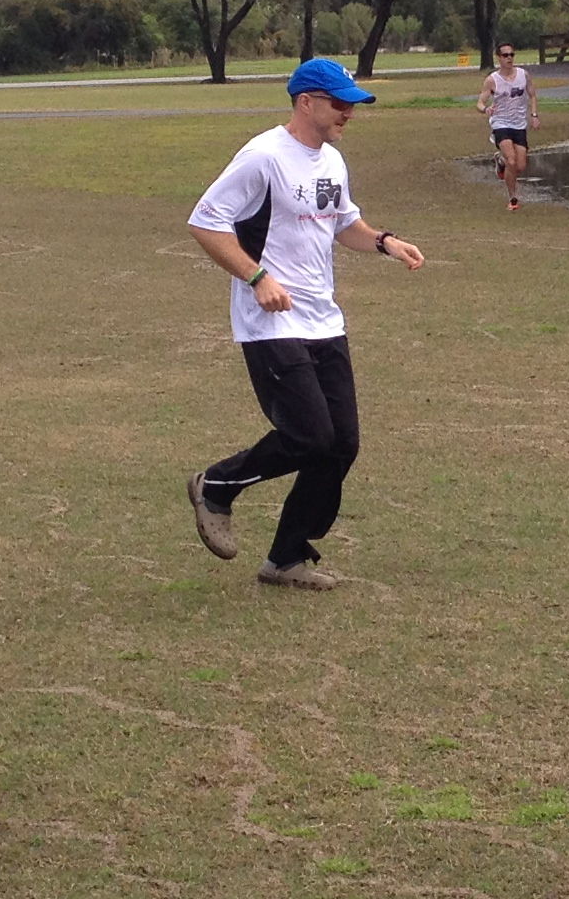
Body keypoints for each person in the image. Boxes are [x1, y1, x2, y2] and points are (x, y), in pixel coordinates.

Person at [182, 57, 426, 589]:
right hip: (270, 323)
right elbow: (206, 221)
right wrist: (257, 277)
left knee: (341, 444)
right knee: (310, 435)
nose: (348, 113)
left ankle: (285, 559)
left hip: (323, 321)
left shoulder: (331, 161)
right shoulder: (263, 157)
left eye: (352, 105)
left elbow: (342, 223)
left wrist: (384, 242)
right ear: (305, 102)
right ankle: (217, 485)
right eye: (339, 104)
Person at [480, 41, 537, 208]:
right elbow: (480, 102)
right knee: (511, 160)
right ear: (499, 58)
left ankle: (500, 161)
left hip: (519, 124)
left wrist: (534, 115)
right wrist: (485, 109)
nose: (509, 58)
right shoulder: (492, 80)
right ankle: (513, 199)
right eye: (505, 55)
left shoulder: (523, 75)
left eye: (512, 54)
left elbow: (532, 95)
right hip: (501, 123)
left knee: (520, 166)